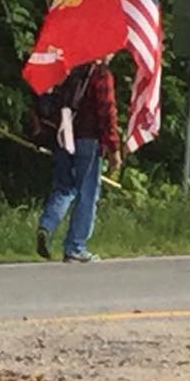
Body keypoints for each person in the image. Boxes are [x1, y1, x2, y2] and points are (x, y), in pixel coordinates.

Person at [35, 56, 122, 263]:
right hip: (89, 139)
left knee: (64, 187)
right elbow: (106, 111)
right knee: (87, 193)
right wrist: (114, 148)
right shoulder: (101, 75)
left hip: (64, 136)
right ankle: (75, 246)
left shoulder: (71, 70)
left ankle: (47, 225)